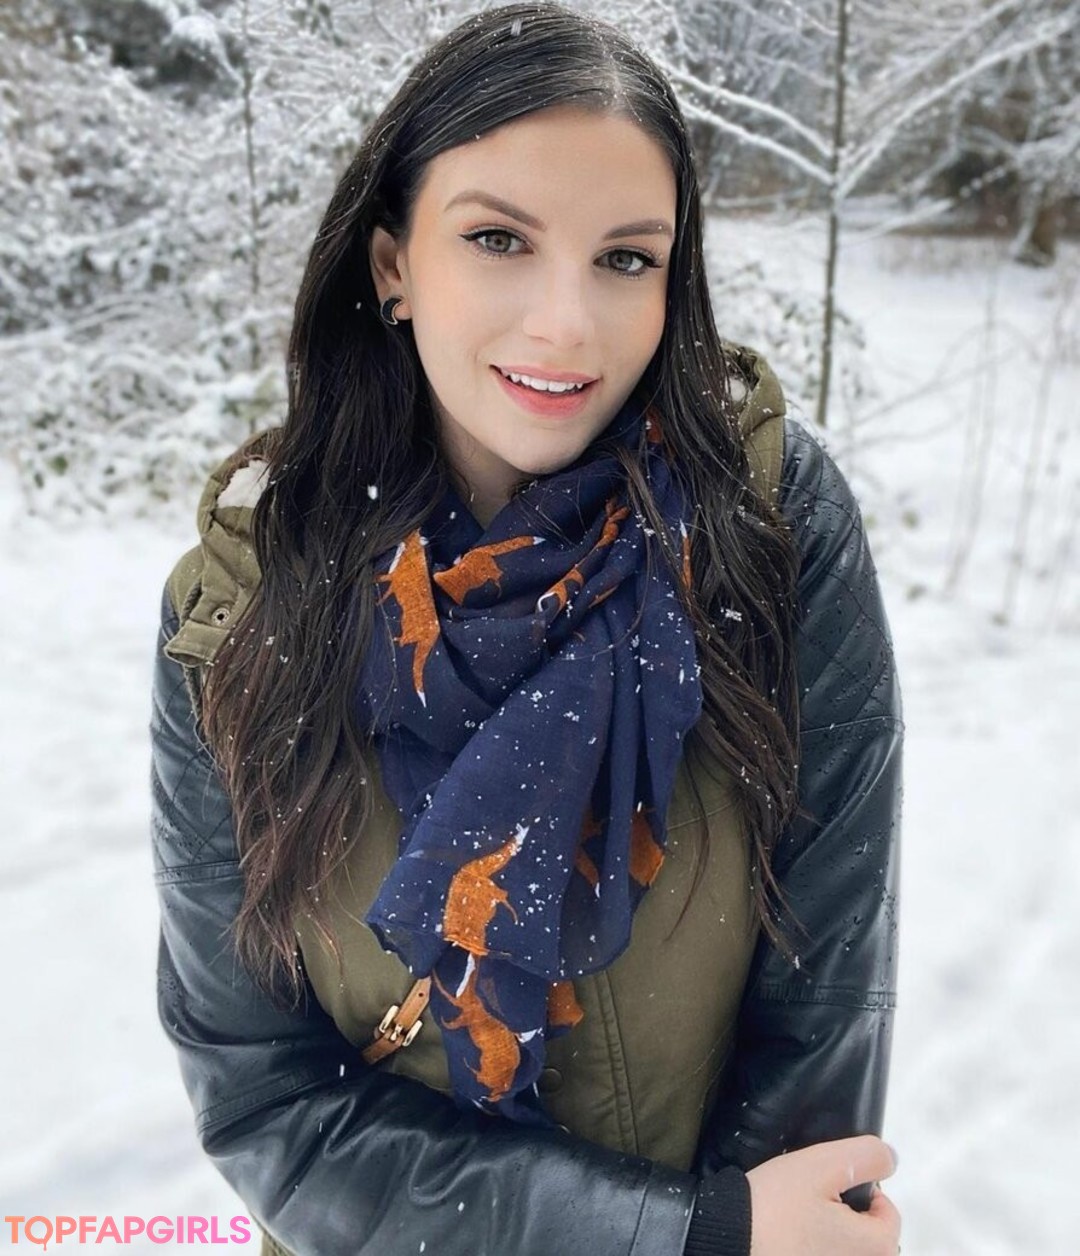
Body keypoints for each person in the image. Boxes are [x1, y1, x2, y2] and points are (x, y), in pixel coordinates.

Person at [149, 4, 904, 1254]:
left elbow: (821, 1008)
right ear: (392, 263)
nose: (567, 324)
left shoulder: (765, 528)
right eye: (498, 238)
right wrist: (678, 1235)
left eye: (626, 259)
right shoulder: (239, 609)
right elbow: (264, 1097)